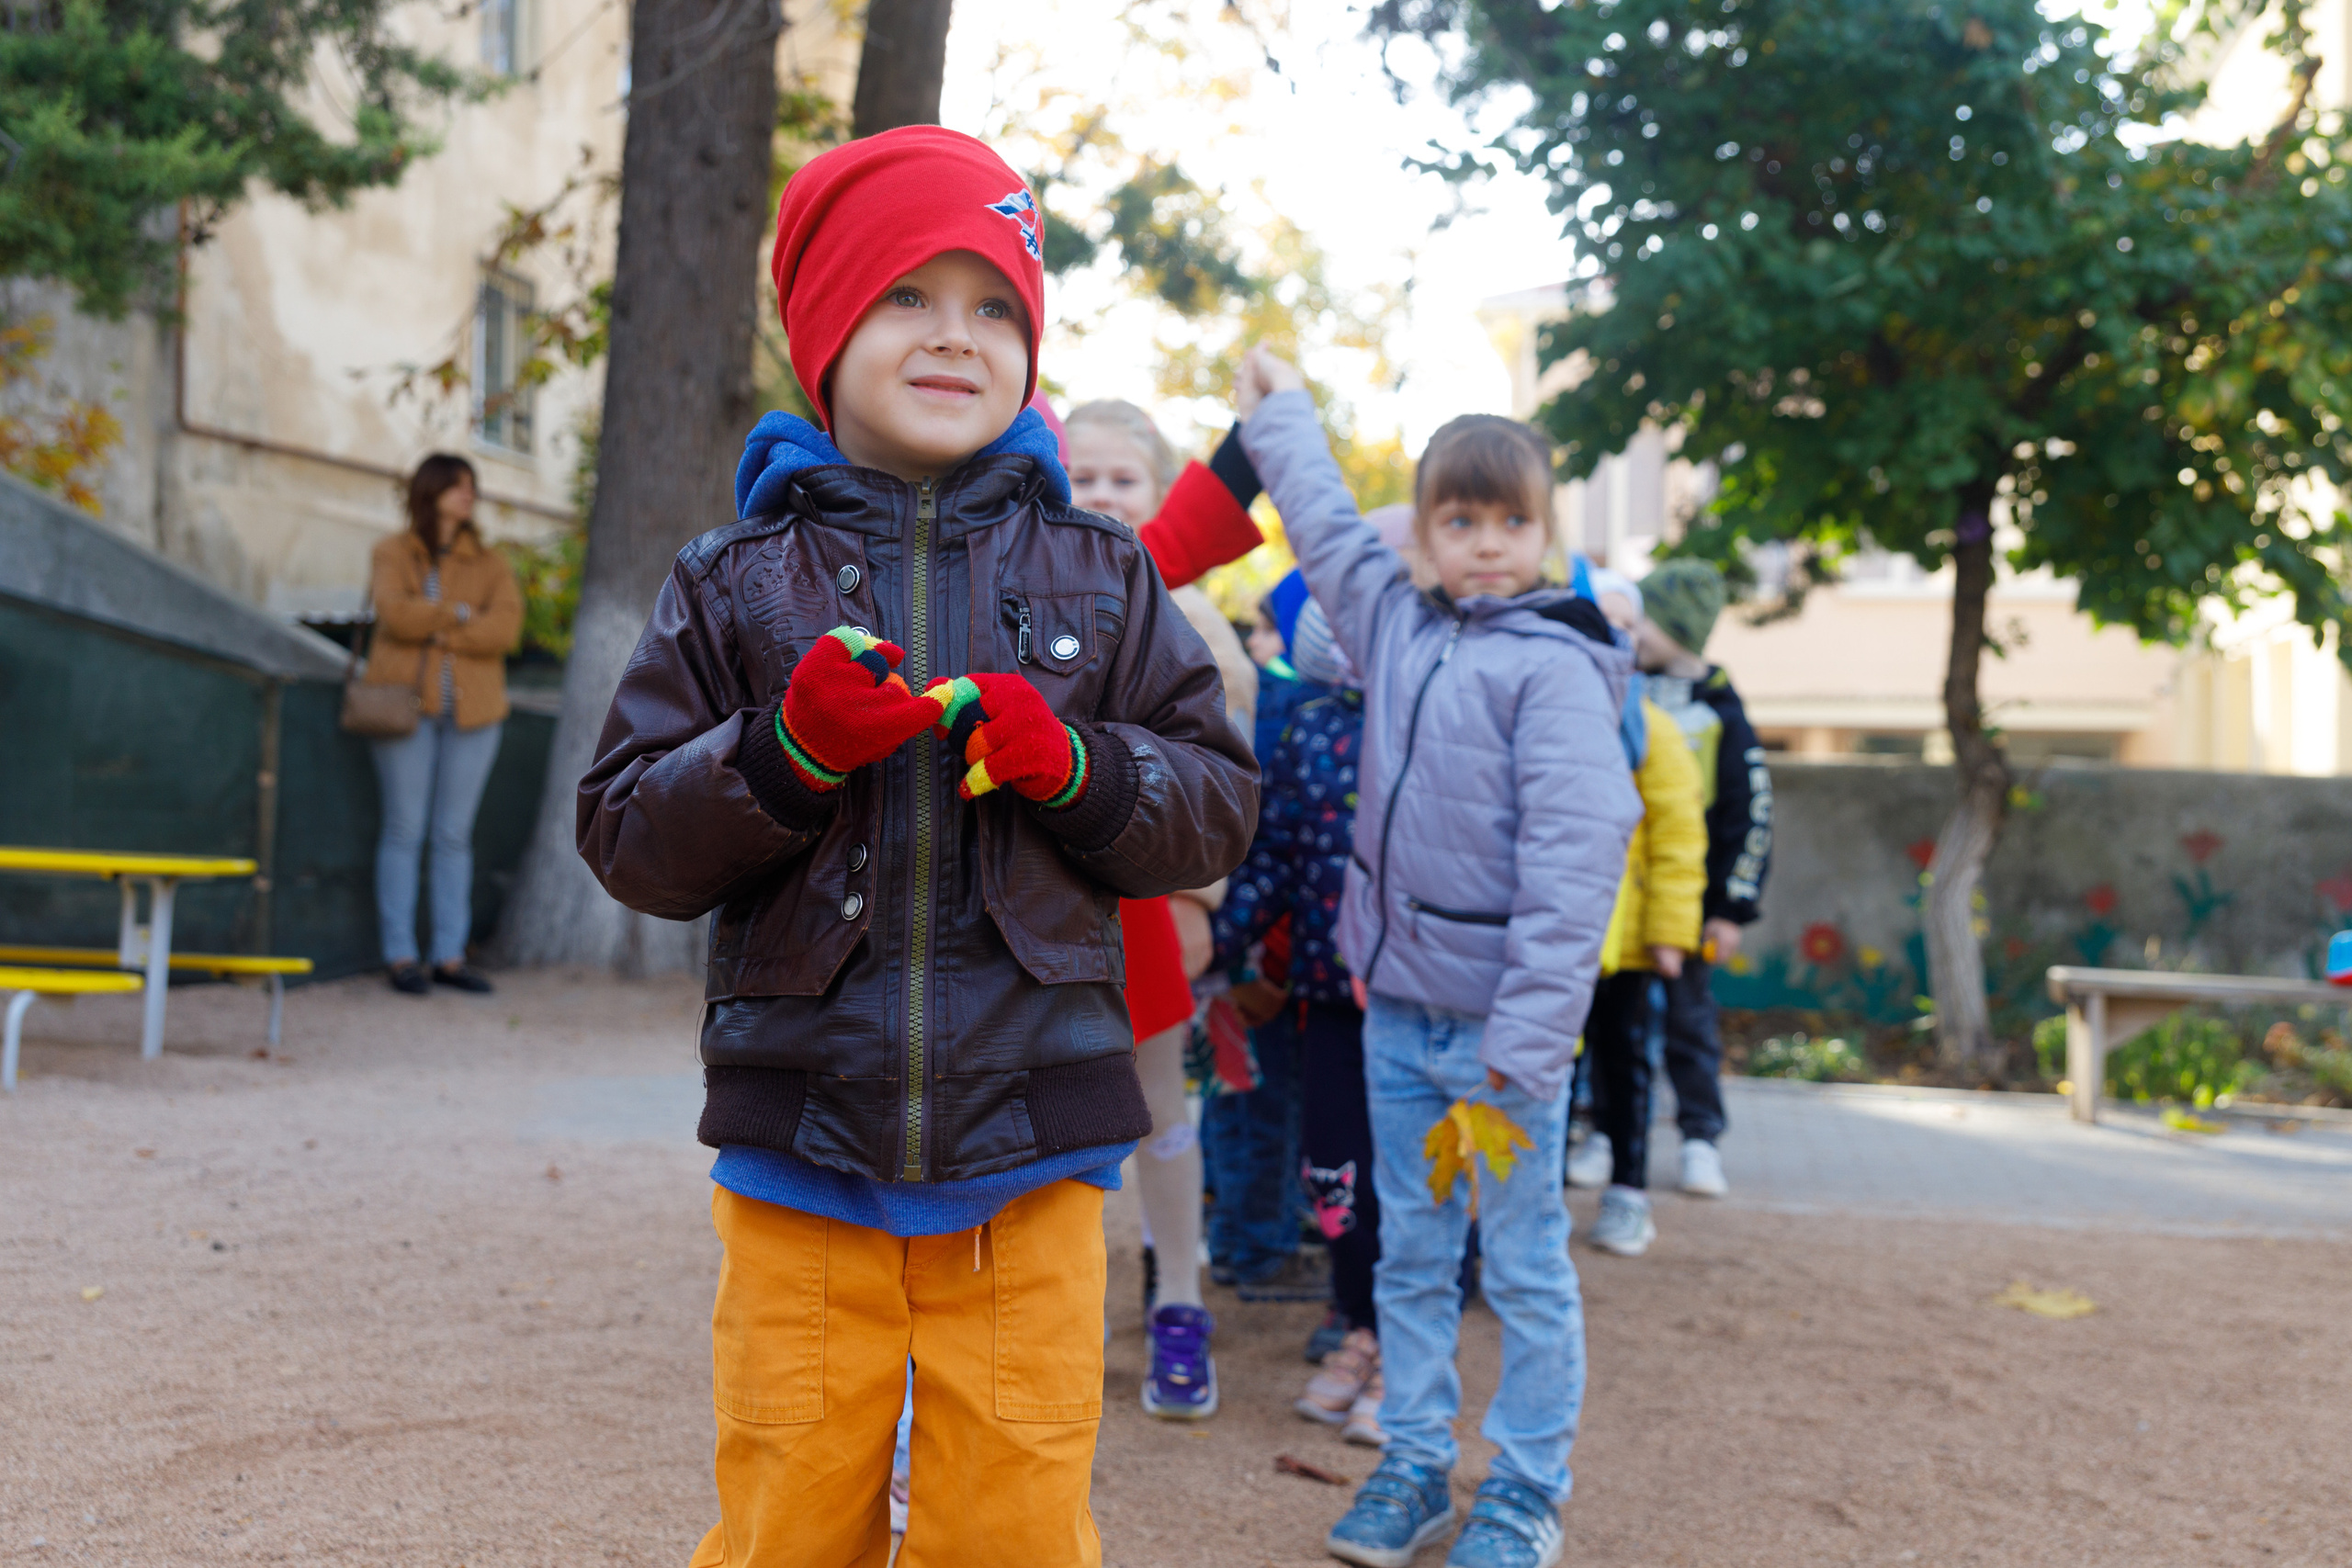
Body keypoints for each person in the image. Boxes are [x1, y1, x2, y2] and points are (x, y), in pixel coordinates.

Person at [576, 128, 1256, 1568]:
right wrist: (782, 751)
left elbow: (1214, 800)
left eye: (995, 306)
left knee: (1014, 1524)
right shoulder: (733, 579)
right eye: (909, 296)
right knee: (789, 1516)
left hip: (1035, 1150)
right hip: (801, 1151)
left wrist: (1081, 765)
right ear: (826, 330)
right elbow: (629, 834)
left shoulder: (1104, 568)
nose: (957, 335)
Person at [1238, 348, 1641, 1568]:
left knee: (1519, 1263)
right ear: (1423, 534)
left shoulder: (1559, 666)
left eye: (1509, 522)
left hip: (1503, 1038)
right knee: (1405, 1255)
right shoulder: (1398, 628)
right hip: (1399, 1019)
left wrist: (1531, 1038)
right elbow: (1323, 530)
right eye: (1458, 521)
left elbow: (1576, 866)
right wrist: (1281, 416)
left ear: (1546, 535)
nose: (1484, 544)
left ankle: (1523, 1486)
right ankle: (1413, 1461)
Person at [1063, 395, 1261, 1418]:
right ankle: (1043, 1320)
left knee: (1159, 1109)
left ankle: (1179, 1299)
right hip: (1041, 889)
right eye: (1082, 476)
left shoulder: (1186, 608)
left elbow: (1219, 764)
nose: (1102, 495)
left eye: (1122, 478)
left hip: (1144, 892)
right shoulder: (1022, 578)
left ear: (1158, 488)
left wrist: (1194, 896)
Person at [1212, 592, 1385, 1444]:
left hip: (1420, 996)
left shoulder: (1437, 724)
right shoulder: (1312, 730)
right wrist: (1215, 942)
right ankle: (1359, 1315)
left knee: (1420, 1172)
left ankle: (1399, 1344)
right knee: (1332, 1168)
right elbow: (1273, 854)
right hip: (1328, 993)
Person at [1569, 598, 1707, 1258]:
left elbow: (1678, 835)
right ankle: (1539, 1197)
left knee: (1624, 1066)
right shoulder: (1554, 713)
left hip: (1624, 944)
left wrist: (1668, 933)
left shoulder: (1651, 729)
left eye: (1627, 626)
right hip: (1563, 936)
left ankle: (1628, 1192)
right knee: (1553, 1072)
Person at [1631, 559, 1770, 1199]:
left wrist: (1731, 908)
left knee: (1689, 1022)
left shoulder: (1722, 712)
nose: (1634, 631)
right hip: (1625, 901)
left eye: (1646, 619)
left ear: (1679, 627)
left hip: (1692, 903)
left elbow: (1750, 813)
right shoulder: (1623, 690)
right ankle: (1606, 1132)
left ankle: (1699, 1137)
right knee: (1617, 1025)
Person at [363, 454, 521, 996]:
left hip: (475, 715)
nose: (468, 494)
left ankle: (449, 958)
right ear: (430, 491)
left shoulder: (491, 563)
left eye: (471, 486)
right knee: (403, 830)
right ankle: (400, 956)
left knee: (454, 836)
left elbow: (504, 630)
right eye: (457, 486)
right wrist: (460, 614)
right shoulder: (392, 552)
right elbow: (394, 614)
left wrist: (436, 627)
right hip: (404, 710)